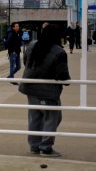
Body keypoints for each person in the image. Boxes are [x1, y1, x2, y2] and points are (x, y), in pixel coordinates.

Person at [19, 24, 71, 157]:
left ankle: (34, 145)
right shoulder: (59, 52)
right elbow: (62, 75)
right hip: (48, 92)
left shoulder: (32, 45)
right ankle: (45, 147)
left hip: (30, 88)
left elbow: (26, 62)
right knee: (52, 118)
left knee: (35, 118)